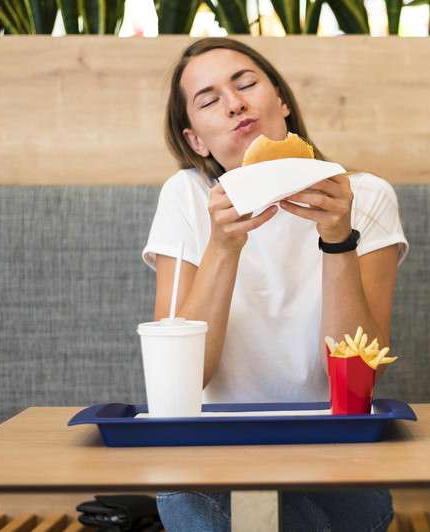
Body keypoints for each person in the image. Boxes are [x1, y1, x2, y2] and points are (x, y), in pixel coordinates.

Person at [141, 37, 409, 532]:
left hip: (336, 457)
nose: (234, 103)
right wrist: (223, 247)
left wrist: (336, 240)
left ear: (281, 101)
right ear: (196, 139)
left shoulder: (364, 196)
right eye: (208, 99)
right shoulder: (186, 196)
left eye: (245, 84)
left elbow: (358, 375)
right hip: (210, 461)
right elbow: (177, 380)